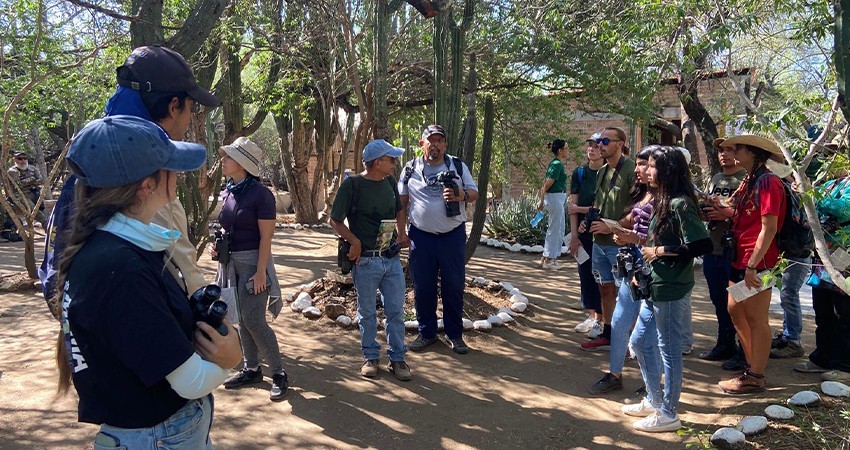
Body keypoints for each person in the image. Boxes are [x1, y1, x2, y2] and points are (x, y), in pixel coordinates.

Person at [55, 115, 242, 448]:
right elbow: (190, 381)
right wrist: (230, 359)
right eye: (170, 167)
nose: (178, 176)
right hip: (159, 437)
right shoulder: (122, 269)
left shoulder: (110, 248)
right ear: (146, 184)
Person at [40, 45, 219, 316]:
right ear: (174, 106)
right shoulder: (144, 181)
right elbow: (184, 273)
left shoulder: (95, 159)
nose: (189, 119)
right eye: (190, 108)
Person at [622, 146, 711, 432]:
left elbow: (702, 245)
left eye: (651, 166)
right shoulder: (662, 200)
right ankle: (654, 399)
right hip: (655, 285)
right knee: (638, 342)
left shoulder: (680, 204)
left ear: (668, 170)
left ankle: (669, 413)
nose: (645, 171)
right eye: (645, 165)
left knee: (669, 350)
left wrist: (659, 250)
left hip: (671, 288)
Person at [209, 137, 288, 401]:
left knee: (254, 319)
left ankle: (278, 373)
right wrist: (216, 247)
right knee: (240, 317)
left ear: (242, 163)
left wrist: (260, 272)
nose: (223, 160)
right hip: (229, 264)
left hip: (254, 262)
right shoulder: (229, 190)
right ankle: (251, 369)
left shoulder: (261, 195)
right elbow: (225, 225)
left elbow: (266, 237)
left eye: (228, 157)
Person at [331, 139, 412, 380]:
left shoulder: (389, 181)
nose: (394, 163)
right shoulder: (352, 186)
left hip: (391, 259)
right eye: (391, 159)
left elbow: (399, 209)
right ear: (378, 163)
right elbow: (335, 220)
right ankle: (370, 356)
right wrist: (354, 242)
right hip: (365, 261)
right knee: (367, 313)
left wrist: (402, 232)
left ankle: (398, 358)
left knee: (396, 311)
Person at [713, 133, 787, 394]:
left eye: (738, 148)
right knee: (736, 309)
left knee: (756, 317)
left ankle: (755, 375)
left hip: (758, 262)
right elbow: (740, 212)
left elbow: (769, 228)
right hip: (741, 257)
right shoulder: (750, 179)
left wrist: (753, 265)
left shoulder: (768, 182)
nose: (732, 151)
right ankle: (751, 365)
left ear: (753, 152)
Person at [401, 125, 479, 354]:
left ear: (445, 144)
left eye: (439, 140)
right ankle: (427, 334)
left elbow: (473, 193)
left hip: (452, 236)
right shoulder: (410, 168)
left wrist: (461, 195)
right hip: (420, 237)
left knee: (453, 286)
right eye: (430, 140)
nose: (435, 144)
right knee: (423, 286)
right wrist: (401, 232)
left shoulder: (457, 166)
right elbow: (402, 202)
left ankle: (455, 335)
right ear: (421, 144)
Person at [589, 146, 654, 394]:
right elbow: (632, 220)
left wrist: (632, 238)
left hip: (655, 270)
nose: (636, 169)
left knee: (648, 329)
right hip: (634, 265)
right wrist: (617, 229)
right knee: (619, 319)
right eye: (637, 163)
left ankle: (653, 383)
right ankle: (615, 374)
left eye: (643, 164)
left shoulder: (671, 199)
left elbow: (665, 239)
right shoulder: (642, 194)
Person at [580, 127, 636, 351]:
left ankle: (629, 339)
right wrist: (589, 220)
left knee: (626, 292)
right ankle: (609, 333)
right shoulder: (602, 171)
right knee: (604, 288)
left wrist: (611, 226)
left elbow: (638, 210)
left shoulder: (632, 169)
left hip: (620, 243)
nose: (600, 145)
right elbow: (599, 203)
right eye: (598, 141)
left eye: (605, 141)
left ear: (620, 144)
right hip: (599, 243)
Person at [794, 177, 850, 382]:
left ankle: (845, 364)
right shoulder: (831, 184)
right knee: (822, 308)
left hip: (845, 254)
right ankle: (823, 357)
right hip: (823, 254)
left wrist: (811, 195)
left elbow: (845, 208)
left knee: (845, 311)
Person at [697, 138, 747, 362]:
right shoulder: (717, 178)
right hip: (714, 247)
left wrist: (728, 213)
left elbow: (751, 214)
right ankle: (724, 343)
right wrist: (706, 212)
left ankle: (744, 350)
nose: (724, 154)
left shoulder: (746, 179)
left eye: (730, 150)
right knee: (719, 300)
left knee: (740, 303)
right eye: (721, 150)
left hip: (737, 252)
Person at [569, 133, 604, 338]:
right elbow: (572, 208)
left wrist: (580, 209)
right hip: (582, 234)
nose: (591, 149)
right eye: (589, 145)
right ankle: (593, 315)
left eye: (596, 146)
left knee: (603, 277)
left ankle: (603, 318)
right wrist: (574, 236)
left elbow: (600, 207)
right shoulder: (580, 173)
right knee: (585, 274)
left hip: (601, 233)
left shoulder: (608, 174)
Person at [537, 139, 569, 270]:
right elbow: (547, 184)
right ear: (560, 151)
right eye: (566, 148)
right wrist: (541, 200)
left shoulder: (556, 164)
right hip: (555, 197)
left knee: (558, 228)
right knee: (555, 229)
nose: (568, 151)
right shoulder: (556, 165)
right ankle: (549, 260)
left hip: (558, 197)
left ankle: (550, 257)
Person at [2, 151, 44, 242]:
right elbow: (19, 184)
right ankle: (50, 231)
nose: (23, 161)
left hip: (35, 193)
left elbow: (41, 179)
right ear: (14, 159)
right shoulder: (12, 171)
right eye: (20, 159)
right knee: (37, 213)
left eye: (24, 158)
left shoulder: (33, 168)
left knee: (44, 211)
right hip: (20, 196)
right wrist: (33, 179)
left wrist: (29, 181)